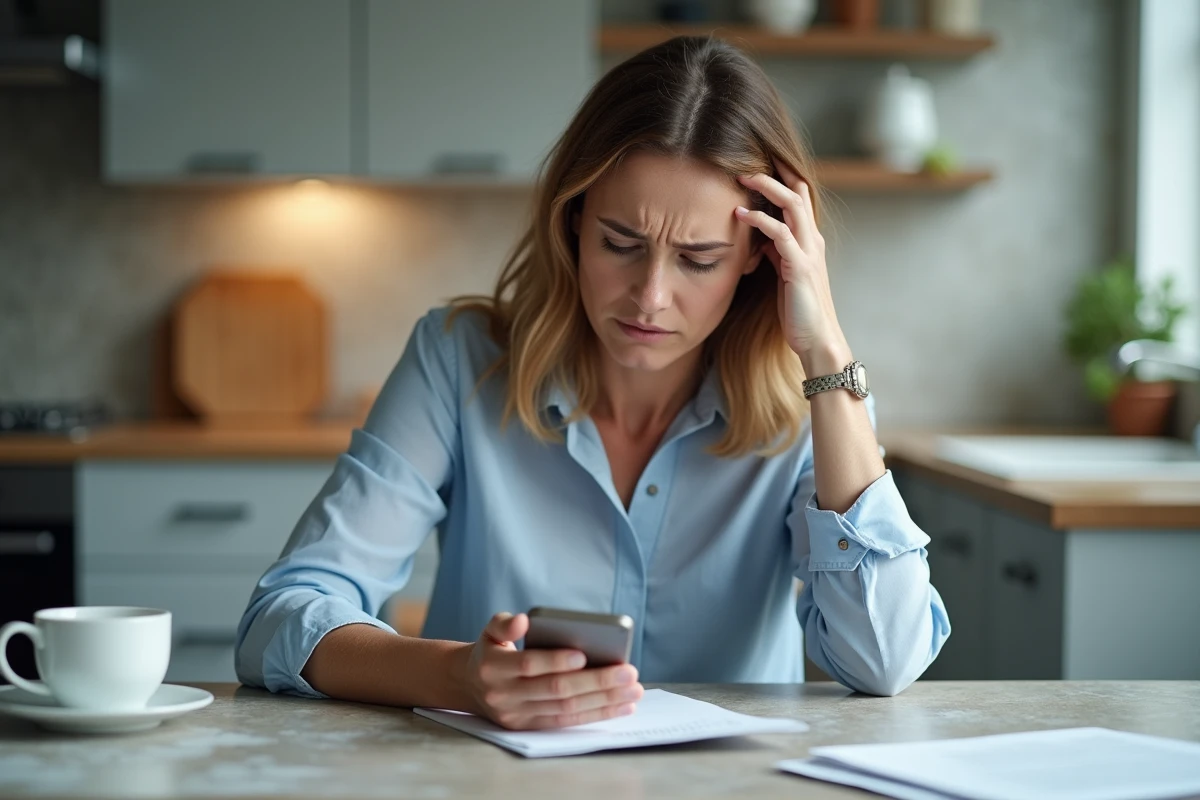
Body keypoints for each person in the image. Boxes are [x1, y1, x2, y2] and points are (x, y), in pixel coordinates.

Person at [235, 35, 950, 731]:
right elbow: (284, 616)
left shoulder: (818, 406)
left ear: (762, 256)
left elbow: (882, 660)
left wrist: (825, 349)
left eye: (698, 259)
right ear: (572, 222)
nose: (649, 297)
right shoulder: (458, 360)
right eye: (621, 244)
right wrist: (459, 678)